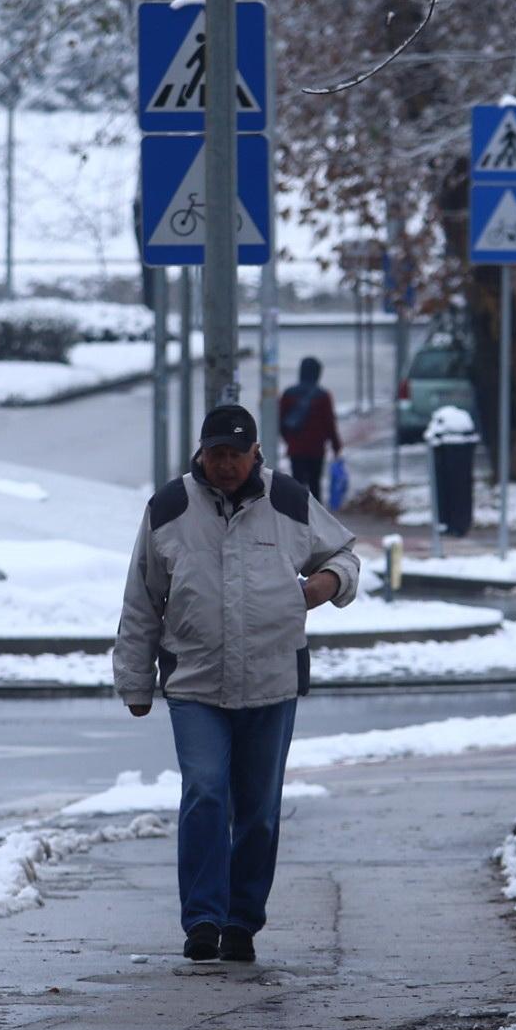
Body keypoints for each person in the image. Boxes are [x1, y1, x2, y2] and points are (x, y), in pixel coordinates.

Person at [113, 403, 361, 964]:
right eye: (216, 453)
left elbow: (345, 554)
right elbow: (142, 598)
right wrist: (135, 681)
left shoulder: (291, 501)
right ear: (201, 452)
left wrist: (325, 584)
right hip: (194, 682)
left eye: (236, 454)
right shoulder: (170, 506)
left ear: (256, 454)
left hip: (272, 680)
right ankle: (202, 919)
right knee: (204, 791)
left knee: (258, 809)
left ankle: (242, 922)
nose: (226, 465)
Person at [277, 355, 342, 494]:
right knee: (315, 484)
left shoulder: (288, 393)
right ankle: (314, 514)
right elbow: (329, 423)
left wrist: (290, 440)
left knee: (297, 484)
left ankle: (297, 514)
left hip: (296, 447)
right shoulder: (323, 395)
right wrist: (336, 445)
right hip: (316, 448)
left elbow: (281, 422)